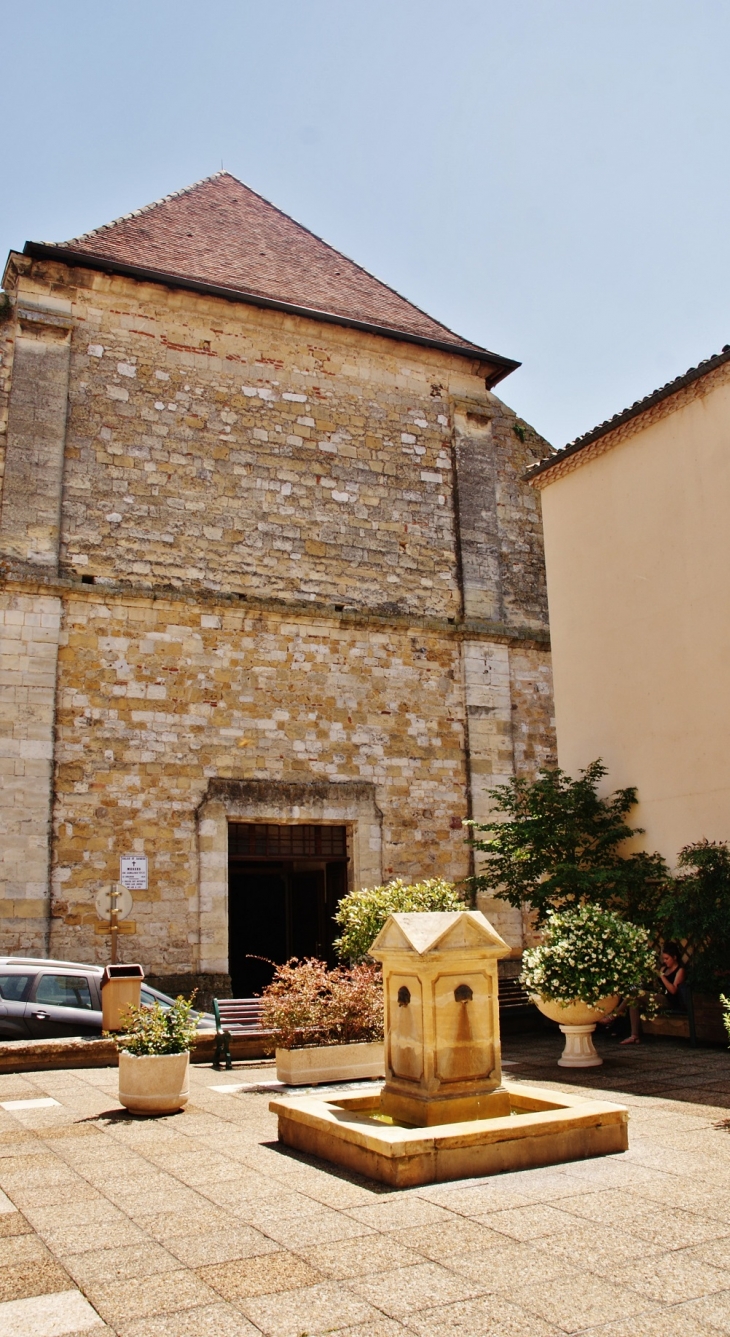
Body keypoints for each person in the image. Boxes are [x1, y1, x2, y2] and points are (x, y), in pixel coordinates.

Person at [657, 941, 688, 1012]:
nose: (664, 961)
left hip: (669, 1001)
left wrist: (662, 976)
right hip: (659, 996)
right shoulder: (664, 968)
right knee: (634, 1001)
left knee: (636, 995)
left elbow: (674, 990)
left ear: (674, 957)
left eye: (667, 959)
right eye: (663, 959)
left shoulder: (680, 970)